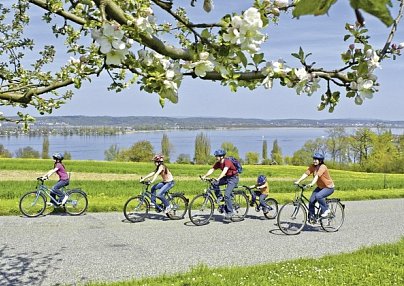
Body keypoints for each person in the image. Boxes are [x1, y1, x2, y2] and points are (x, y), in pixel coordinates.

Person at [294, 152, 334, 221]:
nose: (314, 160)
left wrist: (312, 183)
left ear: (320, 161)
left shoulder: (323, 167)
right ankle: (312, 217)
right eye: (314, 159)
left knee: (318, 196)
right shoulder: (313, 166)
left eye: (316, 159)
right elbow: (306, 174)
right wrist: (298, 181)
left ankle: (326, 210)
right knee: (311, 201)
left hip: (328, 187)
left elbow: (317, 176)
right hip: (320, 187)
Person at [201, 149, 239, 219]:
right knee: (214, 183)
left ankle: (230, 212)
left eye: (217, 156)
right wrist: (205, 176)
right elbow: (212, 169)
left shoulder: (227, 162)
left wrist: (218, 178)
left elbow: (224, 171)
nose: (216, 157)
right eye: (216, 156)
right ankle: (219, 197)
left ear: (221, 156)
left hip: (233, 178)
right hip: (227, 177)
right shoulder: (218, 163)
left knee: (227, 195)